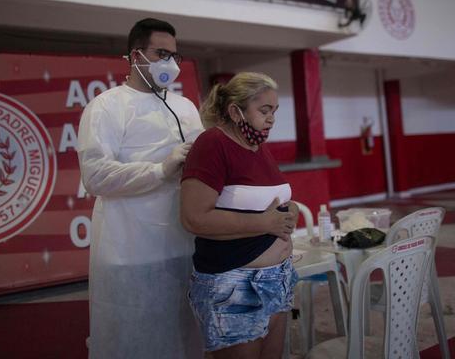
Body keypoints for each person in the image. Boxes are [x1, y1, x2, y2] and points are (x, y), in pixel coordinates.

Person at [77, 18, 204, 359]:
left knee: (183, 334)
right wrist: (160, 169)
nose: (171, 64)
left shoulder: (186, 108)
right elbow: (96, 176)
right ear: (135, 55)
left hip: (182, 244)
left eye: (175, 55)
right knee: (132, 339)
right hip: (129, 249)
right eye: (161, 53)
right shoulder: (106, 106)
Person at [180, 72, 299, 358]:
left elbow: (266, 199)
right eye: (264, 110)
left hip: (277, 277)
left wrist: (290, 208)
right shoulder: (213, 144)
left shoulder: (258, 147)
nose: (271, 119)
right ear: (236, 111)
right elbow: (193, 218)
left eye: (274, 111)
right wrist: (264, 223)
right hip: (235, 282)